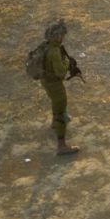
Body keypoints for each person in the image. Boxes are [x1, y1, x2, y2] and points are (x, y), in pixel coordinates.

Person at [40, 19, 80, 156]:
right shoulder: (55, 52)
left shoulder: (45, 46)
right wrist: (67, 62)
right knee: (61, 111)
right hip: (55, 84)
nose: (63, 37)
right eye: (62, 35)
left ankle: (53, 123)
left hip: (45, 81)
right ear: (57, 36)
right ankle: (61, 145)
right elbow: (61, 73)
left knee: (55, 103)